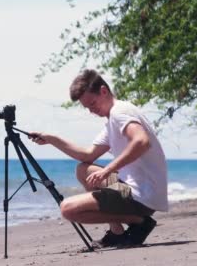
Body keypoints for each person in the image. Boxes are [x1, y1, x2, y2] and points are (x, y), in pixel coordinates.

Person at [30, 69, 168, 248]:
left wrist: (107, 170)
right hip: (138, 190)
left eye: (93, 104)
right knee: (83, 169)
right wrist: (51, 139)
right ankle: (117, 232)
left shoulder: (120, 113)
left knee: (68, 209)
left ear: (104, 91)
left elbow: (141, 141)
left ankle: (139, 221)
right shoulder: (113, 119)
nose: (91, 111)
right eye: (87, 107)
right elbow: (87, 155)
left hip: (141, 196)